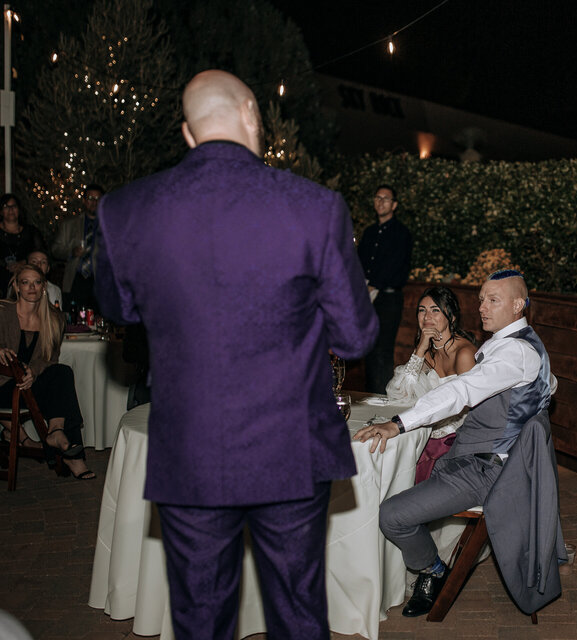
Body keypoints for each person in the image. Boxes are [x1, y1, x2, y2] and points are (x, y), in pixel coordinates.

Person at [94, 69, 378, 640]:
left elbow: (119, 310)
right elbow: (355, 339)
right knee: (298, 615)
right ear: (253, 117)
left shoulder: (127, 210)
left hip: (190, 451)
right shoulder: (314, 207)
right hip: (290, 450)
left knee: (199, 620)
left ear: (188, 133)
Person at [355, 269, 565, 618]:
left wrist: (397, 424)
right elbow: (551, 383)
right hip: (481, 458)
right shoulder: (521, 345)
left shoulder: (515, 352)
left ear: (518, 305)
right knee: (407, 476)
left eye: (493, 300)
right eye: (481, 298)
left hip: (486, 471)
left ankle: (432, 569)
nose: (482, 306)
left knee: (392, 515)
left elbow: (461, 390)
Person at [0, 264, 94, 480]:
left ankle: (55, 431)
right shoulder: (3, 311)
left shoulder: (54, 318)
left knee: (62, 373)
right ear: (16, 286)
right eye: (25, 282)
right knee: (60, 390)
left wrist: (33, 370)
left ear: (44, 287)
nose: (31, 287)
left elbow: (49, 359)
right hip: (4, 385)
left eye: (37, 282)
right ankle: (73, 456)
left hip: (29, 386)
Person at [385, 286, 477, 483]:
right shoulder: (428, 350)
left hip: (455, 441)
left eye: (435, 310)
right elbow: (399, 393)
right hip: (428, 434)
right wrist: (420, 349)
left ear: (451, 317)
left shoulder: (464, 354)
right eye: (422, 310)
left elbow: (474, 409)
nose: (427, 316)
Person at [357, 185, 413, 394]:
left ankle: (381, 399)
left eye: (386, 198)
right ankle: (370, 396)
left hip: (388, 300)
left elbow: (397, 265)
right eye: (377, 197)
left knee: (382, 351)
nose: (381, 202)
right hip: (367, 298)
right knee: (369, 350)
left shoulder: (401, 233)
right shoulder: (370, 232)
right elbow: (359, 263)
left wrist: (374, 285)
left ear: (394, 204)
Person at [51, 183, 104, 311]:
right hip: (76, 280)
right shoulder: (69, 225)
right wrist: (71, 252)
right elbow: (55, 250)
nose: (94, 203)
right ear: (84, 200)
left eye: (98, 199)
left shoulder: (110, 226)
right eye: (91, 199)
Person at [0, 194, 45, 296]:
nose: (11, 210)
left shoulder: (31, 232)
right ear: (1, 211)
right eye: (6, 206)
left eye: (14, 206)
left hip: (27, 281)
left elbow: (41, 254)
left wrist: (24, 263)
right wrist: (7, 266)